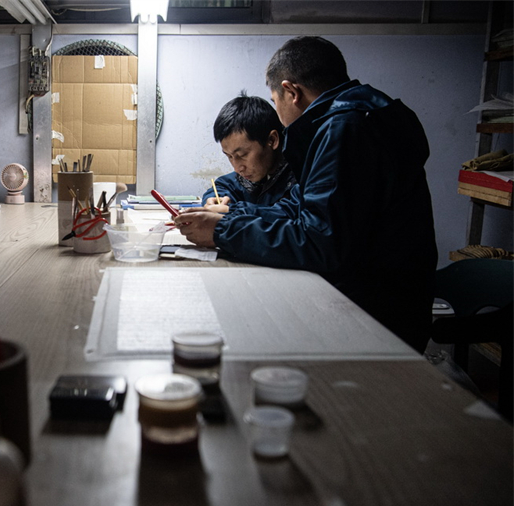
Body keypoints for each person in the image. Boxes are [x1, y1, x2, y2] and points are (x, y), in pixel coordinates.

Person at [175, 36, 437, 353]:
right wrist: (231, 217)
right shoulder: (364, 115)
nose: (277, 111)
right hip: (387, 303)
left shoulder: (344, 129)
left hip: (376, 317)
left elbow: (319, 241)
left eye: (275, 101)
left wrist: (223, 231)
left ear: (291, 92)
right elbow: (299, 209)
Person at [201, 93, 296, 213]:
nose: (237, 168)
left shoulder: (301, 175)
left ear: (272, 140)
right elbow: (225, 184)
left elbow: (287, 217)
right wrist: (215, 199)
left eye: (242, 155)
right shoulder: (252, 176)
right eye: (229, 156)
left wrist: (235, 211)